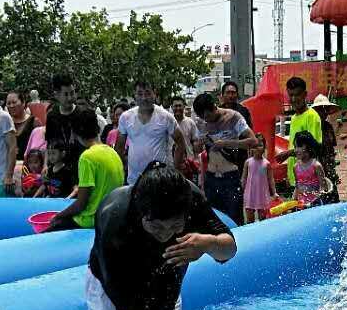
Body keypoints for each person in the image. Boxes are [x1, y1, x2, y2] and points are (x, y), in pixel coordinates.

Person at [86, 162, 236, 310]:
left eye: (175, 227)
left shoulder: (189, 198)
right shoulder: (115, 216)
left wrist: (208, 243)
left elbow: (230, 249)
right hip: (112, 289)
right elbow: (126, 304)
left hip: (164, 281)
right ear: (141, 213)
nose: (165, 235)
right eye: (157, 227)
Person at [44, 105, 124, 231]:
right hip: (109, 218)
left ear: (75, 133)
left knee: (47, 230)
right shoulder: (112, 153)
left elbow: (80, 204)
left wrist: (58, 216)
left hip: (89, 221)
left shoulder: (87, 157)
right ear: (97, 129)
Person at [193, 91, 254, 225]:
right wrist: (200, 142)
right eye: (203, 117)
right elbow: (196, 149)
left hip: (230, 177)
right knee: (215, 221)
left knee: (235, 220)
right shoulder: (201, 122)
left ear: (214, 107)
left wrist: (226, 143)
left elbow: (253, 141)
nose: (206, 120)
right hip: (211, 177)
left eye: (208, 116)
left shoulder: (233, 117)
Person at [116, 80, 187, 186]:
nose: (144, 98)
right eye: (140, 94)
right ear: (134, 95)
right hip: (134, 180)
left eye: (148, 93)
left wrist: (175, 169)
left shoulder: (166, 117)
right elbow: (119, 148)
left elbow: (181, 143)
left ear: (155, 93)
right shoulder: (125, 117)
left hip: (160, 180)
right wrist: (124, 167)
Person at [273, 77, 322, 191]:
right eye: (291, 95)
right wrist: (289, 175)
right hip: (295, 178)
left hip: (309, 179)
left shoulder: (312, 116)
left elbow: (313, 147)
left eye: (297, 95)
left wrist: (288, 153)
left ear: (305, 94)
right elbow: (295, 145)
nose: (294, 99)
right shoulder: (294, 118)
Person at [44, 72, 80, 197]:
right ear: (57, 94)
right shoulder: (52, 116)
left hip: (79, 168)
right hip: (59, 171)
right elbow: (49, 142)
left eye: (72, 93)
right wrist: (45, 165)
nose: (70, 97)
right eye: (66, 94)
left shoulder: (82, 114)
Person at [311, 94, 341, 201]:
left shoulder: (328, 127)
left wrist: (332, 168)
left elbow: (331, 149)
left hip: (329, 168)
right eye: (320, 109)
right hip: (316, 169)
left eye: (325, 109)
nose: (323, 112)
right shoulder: (312, 126)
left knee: (333, 197)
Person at [292, 131, 331, 208]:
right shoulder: (296, 167)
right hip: (301, 205)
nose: (296, 150)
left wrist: (314, 201)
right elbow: (297, 186)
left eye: (299, 146)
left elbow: (324, 188)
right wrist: (293, 200)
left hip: (315, 206)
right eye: (295, 147)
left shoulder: (316, 166)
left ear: (308, 147)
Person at [241, 138, 276, 224]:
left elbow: (271, 179)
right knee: (249, 220)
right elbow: (244, 177)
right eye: (255, 146)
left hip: (262, 194)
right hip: (250, 193)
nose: (257, 148)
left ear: (264, 147)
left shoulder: (266, 164)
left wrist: (274, 192)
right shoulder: (248, 162)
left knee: (263, 219)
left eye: (260, 145)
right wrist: (241, 189)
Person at [5, 89, 41, 159]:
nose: (11, 106)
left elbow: (40, 149)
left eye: (14, 102)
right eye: (8, 103)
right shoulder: (5, 123)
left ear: (23, 103)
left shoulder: (34, 122)